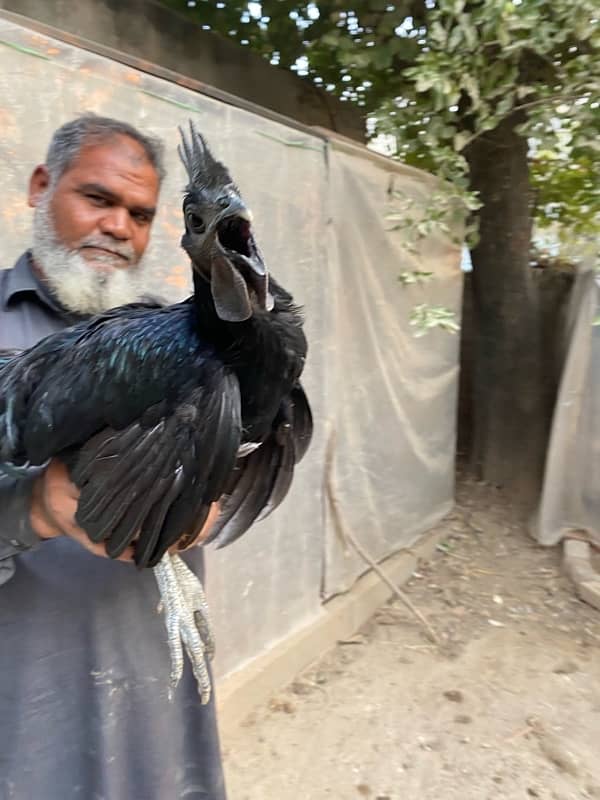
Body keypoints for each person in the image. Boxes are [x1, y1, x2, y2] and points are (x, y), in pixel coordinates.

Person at [0, 114, 227, 800]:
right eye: (97, 199)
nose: (119, 227)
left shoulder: (182, 337)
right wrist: (33, 507)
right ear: (43, 186)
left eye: (140, 213)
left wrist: (211, 501)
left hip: (154, 691)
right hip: (24, 706)